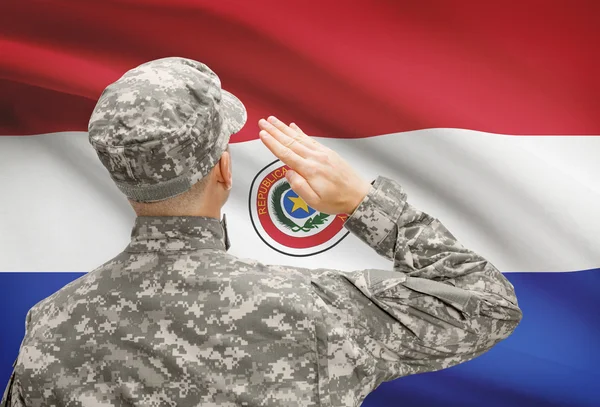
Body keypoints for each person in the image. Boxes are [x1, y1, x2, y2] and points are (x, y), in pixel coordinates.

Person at [1, 57, 522, 407]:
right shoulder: (317, 310)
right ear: (225, 169)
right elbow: (488, 304)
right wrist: (363, 204)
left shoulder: (50, 325)